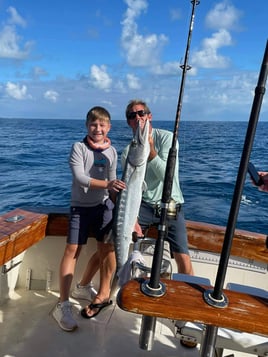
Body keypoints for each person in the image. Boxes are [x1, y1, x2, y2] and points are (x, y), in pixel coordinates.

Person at [52, 106, 126, 331]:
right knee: (72, 251)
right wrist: (108, 185)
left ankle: (83, 288)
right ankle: (62, 304)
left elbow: (113, 184)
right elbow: (81, 177)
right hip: (80, 208)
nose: (98, 129)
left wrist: (125, 207)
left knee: (107, 250)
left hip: (104, 207)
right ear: (87, 126)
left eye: (102, 125)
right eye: (94, 124)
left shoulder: (112, 152)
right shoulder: (78, 148)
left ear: (109, 127)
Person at [123, 99, 194, 276]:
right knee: (116, 243)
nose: (137, 118)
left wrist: (152, 150)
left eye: (141, 113)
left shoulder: (167, 138)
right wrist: (133, 219)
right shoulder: (128, 151)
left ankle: (187, 298)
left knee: (183, 257)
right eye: (132, 115)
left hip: (170, 205)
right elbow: (130, 190)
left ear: (149, 116)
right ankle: (109, 291)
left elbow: (166, 176)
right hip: (144, 206)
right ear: (128, 121)